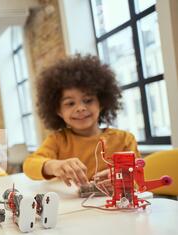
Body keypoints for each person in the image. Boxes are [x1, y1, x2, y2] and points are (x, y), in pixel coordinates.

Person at [23, 54, 140, 188]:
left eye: (88, 100)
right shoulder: (58, 141)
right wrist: (54, 165)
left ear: (101, 103)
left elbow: (137, 179)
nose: (80, 108)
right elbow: (30, 165)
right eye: (70, 103)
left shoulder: (124, 140)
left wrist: (122, 180)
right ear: (58, 111)